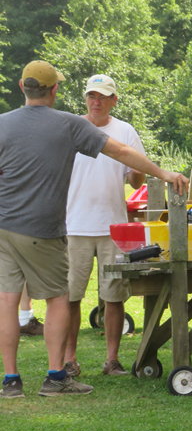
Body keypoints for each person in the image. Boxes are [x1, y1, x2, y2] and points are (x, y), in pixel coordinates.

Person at [0, 60, 189, 399]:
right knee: (60, 299)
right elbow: (121, 152)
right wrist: (164, 174)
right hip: (43, 229)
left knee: (7, 302)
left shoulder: (2, 124)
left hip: (4, 227)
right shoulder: (68, 124)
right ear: (55, 90)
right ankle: (56, 377)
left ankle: (11, 381)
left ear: (21, 86)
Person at [63, 74, 146, 378]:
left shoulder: (125, 131)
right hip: (74, 226)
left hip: (113, 226)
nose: (96, 102)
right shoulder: (71, 128)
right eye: (91, 96)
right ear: (85, 98)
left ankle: (112, 360)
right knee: (71, 296)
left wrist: (138, 172)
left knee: (114, 296)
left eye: (103, 96)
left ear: (114, 100)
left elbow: (136, 180)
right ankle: (69, 360)